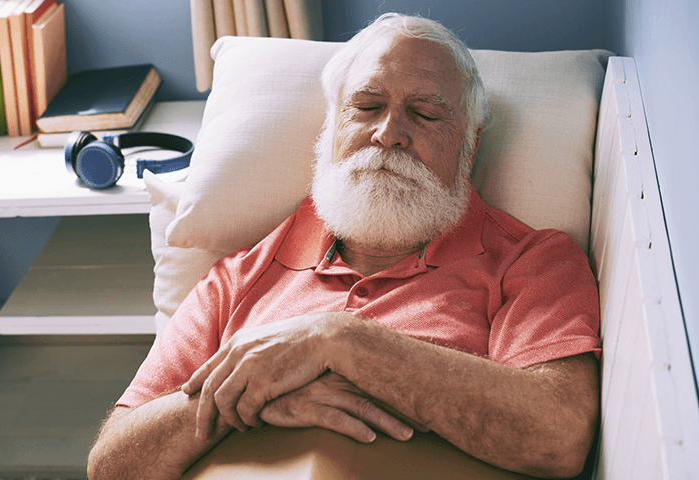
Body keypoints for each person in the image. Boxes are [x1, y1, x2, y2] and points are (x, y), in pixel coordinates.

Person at [87, 13, 600, 480]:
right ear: (331, 129)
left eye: (424, 113)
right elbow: (111, 466)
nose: (389, 133)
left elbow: (557, 438)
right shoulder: (238, 275)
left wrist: (338, 341)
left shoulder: (532, 260)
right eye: (367, 106)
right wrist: (254, 397)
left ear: (472, 144)